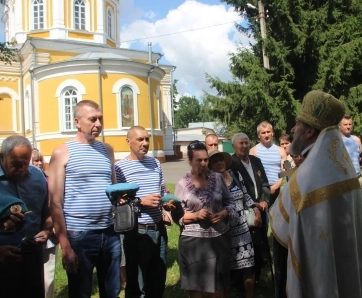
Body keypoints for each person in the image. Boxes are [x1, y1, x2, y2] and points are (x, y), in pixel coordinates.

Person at [270, 90, 362, 297]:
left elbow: (280, 234)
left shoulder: (305, 178)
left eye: (297, 124)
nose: (293, 129)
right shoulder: (345, 169)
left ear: (308, 132)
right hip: (346, 265)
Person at [48, 100, 121, 298]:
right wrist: (66, 246)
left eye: (100, 119)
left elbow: (113, 189)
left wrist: (121, 198)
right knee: (81, 292)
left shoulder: (107, 151)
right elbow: (55, 202)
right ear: (77, 122)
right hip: (79, 235)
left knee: (112, 291)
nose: (98, 124)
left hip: (109, 232)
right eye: (93, 119)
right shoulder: (62, 152)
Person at [175, 140, 236, 298]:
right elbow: (177, 217)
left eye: (205, 159)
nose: (203, 163)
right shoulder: (182, 184)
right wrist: (195, 215)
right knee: (196, 289)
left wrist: (223, 214)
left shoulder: (217, 178)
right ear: (189, 161)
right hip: (193, 244)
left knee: (219, 288)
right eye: (198, 160)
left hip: (219, 240)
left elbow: (230, 203)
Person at [114, 126, 169, 298]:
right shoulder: (120, 168)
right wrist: (140, 201)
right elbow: (118, 203)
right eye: (140, 139)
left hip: (159, 229)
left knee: (158, 280)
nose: (145, 143)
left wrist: (167, 205)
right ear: (128, 141)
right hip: (138, 231)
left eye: (147, 139)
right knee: (138, 285)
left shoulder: (155, 163)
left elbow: (162, 191)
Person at [0, 135, 52, 298]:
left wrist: (46, 230)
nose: (22, 169)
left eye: (26, 163)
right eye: (15, 164)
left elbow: (46, 211)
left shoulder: (37, 176)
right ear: (2, 157)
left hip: (32, 256)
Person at [208, 149, 261, 298]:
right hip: (223, 232)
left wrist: (256, 210)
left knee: (249, 267)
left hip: (243, 229)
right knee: (224, 272)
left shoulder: (235, 175)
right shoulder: (210, 182)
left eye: (221, 159)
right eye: (215, 161)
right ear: (210, 165)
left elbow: (245, 196)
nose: (219, 163)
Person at [229, 133, 271, 284]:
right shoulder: (231, 164)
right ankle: (241, 281)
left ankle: (257, 277)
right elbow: (235, 189)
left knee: (260, 242)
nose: (245, 146)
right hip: (244, 211)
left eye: (247, 143)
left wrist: (264, 201)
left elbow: (265, 184)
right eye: (241, 143)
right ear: (234, 146)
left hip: (262, 208)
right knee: (247, 245)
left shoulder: (256, 161)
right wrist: (253, 205)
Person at [31, 149, 58, 298]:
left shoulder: (49, 178)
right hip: (30, 234)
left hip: (49, 234)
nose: (39, 163)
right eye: (35, 160)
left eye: (41, 160)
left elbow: (56, 203)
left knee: (48, 276)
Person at [250, 121, 286, 206]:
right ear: (259, 135)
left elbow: (285, 172)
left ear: (272, 133)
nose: (266, 135)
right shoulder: (253, 152)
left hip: (278, 191)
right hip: (261, 193)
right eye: (263, 133)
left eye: (268, 132)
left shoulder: (281, 151)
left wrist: (275, 187)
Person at [339, 115, 362, 193]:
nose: (348, 127)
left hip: (357, 178)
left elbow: (360, 161)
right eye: (345, 125)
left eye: (350, 124)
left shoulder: (356, 140)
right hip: (343, 180)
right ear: (339, 126)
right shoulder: (335, 141)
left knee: (358, 205)